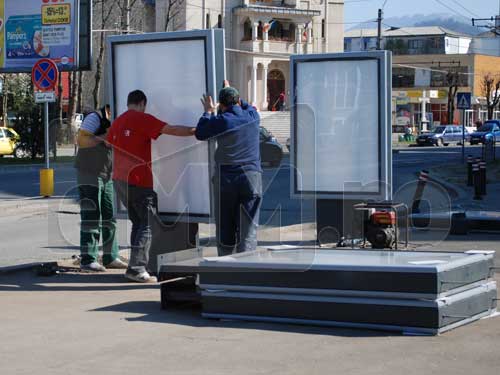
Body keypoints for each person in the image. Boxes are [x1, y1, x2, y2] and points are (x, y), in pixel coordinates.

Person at [106, 90, 196, 283]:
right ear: (142, 103)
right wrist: (195, 130)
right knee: (146, 225)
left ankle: (134, 266)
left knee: (138, 224)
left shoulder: (118, 121)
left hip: (119, 180)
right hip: (139, 180)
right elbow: (171, 129)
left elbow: (109, 144)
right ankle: (137, 269)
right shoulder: (142, 118)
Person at [195, 84, 262, 256]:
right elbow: (246, 105)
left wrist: (208, 111)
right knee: (249, 228)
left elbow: (200, 133)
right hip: (251, 177)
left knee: (225, 226)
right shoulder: (253, 116)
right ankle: (247, 270)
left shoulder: (221, 121)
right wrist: (233, 91)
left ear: (221, 106)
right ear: (239, 101)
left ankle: (225, 267)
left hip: (226, 179)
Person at [75, 105, 127, 272]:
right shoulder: (95, 118)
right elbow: (80, 140)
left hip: (106, 174)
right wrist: (103, 137)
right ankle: (88, 259)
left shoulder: (117, 119)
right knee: (91, 215)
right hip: (89, 172)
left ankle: (110, 257)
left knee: (109, 215)